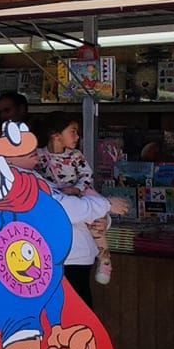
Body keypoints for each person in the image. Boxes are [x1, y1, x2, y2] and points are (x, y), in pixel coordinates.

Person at [34, 113, 118, 298]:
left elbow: (87, 176)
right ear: (56, 135)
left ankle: (104, 259)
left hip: (80, 193)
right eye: (73, 131)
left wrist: (78, 190)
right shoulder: (39, 158)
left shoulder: (76, 156)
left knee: (98, 218)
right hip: (58, 250)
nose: (77, 136)